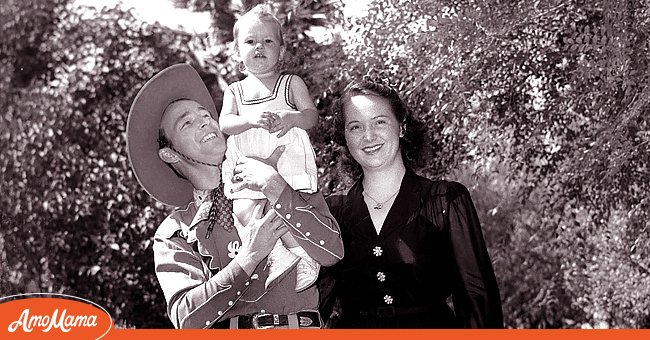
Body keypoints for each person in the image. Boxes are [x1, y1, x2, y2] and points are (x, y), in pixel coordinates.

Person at [125, 63, 343, 329]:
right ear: (170, 154)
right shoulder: (175, 232)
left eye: (205, 114)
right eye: (187, 123)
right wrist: (249, 258)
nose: (205, 121)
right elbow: (186, 319)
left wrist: (276, 186)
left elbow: (332, 251)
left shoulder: (284, 173)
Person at [322, 78, 503, 328]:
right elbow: (314, 304)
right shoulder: (331, 213)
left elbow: (477, 300)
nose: (369, 135)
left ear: (402, 126)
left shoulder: (446, 201)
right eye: (355, 127)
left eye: (380, 121)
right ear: (345, 137)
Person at [219, 5, 321, 293]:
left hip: (284, 156)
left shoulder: (290, 84)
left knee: (284, 207)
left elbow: (311, 116)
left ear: (282, 50)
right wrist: (249, 119)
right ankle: (278, 254)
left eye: (268, 41)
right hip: (249, 159)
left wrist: (292, 118)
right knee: (243, 209)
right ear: (238, 51)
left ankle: (303, 255)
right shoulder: (235, 91)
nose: (259, 47)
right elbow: (225, 123)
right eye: (250, 42)